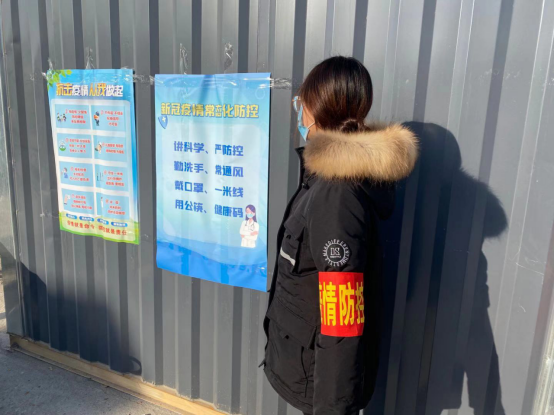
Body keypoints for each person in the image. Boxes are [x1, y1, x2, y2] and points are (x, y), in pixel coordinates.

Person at [262, 56, 419, 415]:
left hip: (317, 379)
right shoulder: (323, 177)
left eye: (301, 102)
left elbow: (342, 317)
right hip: (303, 361)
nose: (298, 112)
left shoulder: (337, 194)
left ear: (317, 111)